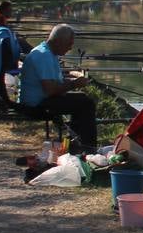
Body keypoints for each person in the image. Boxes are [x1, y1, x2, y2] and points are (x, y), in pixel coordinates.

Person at [19, 24, 97, 153]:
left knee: (82, 99)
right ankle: (88, 148)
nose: (70, 48)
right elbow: (51, 90)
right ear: (59, 41)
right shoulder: (44, 56)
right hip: (35, 104)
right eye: (68, 44)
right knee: (86, 104)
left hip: (43, 98)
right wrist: (74, 84)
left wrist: (74, 78)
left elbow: (56, 81)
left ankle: (77, 143)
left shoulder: (49, 53)